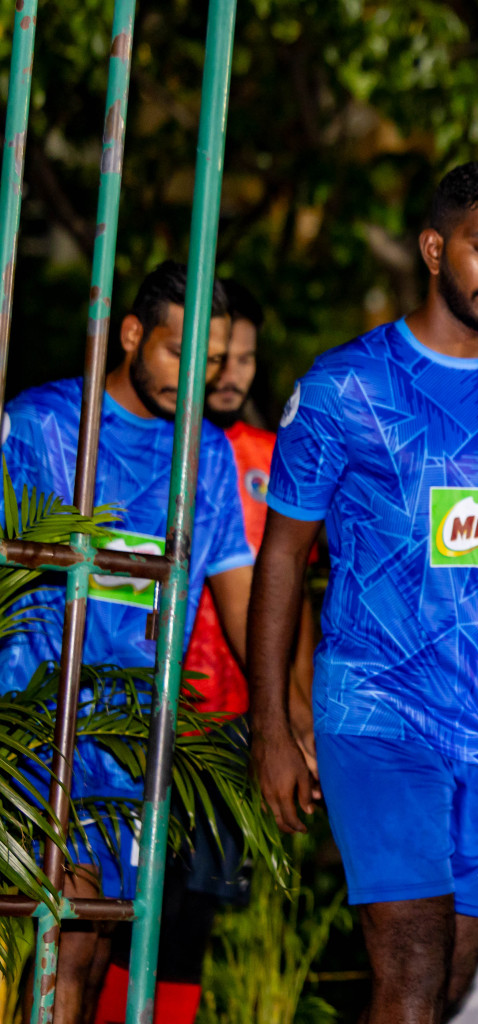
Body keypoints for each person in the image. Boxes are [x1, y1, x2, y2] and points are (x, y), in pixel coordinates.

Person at [249, 161, 478, 1024]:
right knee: (411, 976)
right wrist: (271, 724)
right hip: (374, 716)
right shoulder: (345, 387)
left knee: (441, 988)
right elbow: (283, 555)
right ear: (436, 248)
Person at [0, 262, 254, 1024]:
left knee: (89, 948)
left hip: (130, 743)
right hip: (32, 726)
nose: (198, 377)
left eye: (211, 362)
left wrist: (286, 719)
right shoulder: (45, 423)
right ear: (133, 334)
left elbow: (241, 598)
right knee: (48, 937)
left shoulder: (204, 454)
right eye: (181, 355)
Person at [95, 280, 323, 1024]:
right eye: (212, 356)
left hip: (227, 721)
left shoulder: (262, 458)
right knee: (106, 915)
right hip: (138, 713)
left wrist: (290, 715)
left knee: (190, 914)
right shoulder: (130, 437)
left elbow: (284, 599)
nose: (227, 374)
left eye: (242, 359)